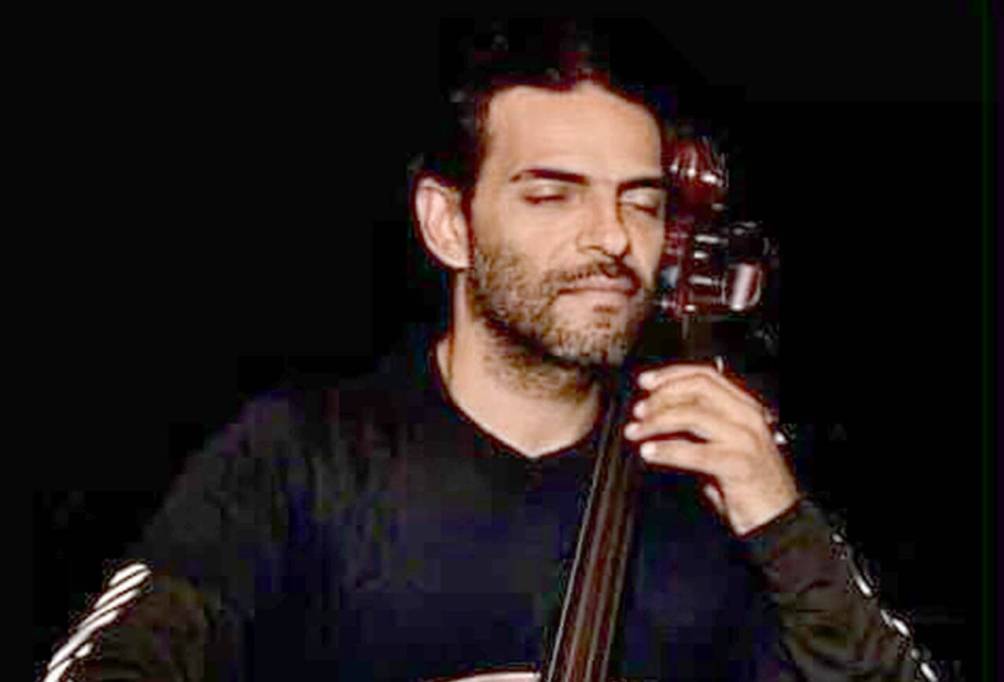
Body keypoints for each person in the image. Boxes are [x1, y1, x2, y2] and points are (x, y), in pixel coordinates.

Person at [39, 20, 948, 682]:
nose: (614, 239)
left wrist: (786, 529)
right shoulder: (297, 457)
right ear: (450, 224)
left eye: (641, 202)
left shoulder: (714, 484)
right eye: (552, 195)